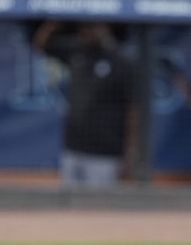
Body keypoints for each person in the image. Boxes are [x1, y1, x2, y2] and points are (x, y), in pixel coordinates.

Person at [33, 20, 139, 188]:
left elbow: (133, 110)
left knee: (100, 209)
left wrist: (131, 152)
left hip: (105, 153)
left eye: (92, 26)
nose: (86, 32)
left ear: (105, 27)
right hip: (74, 148)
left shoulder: (121, 62)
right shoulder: (77, 50)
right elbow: (41, 45)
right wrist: (56, 19)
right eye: (83, 28)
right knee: (69, 208)